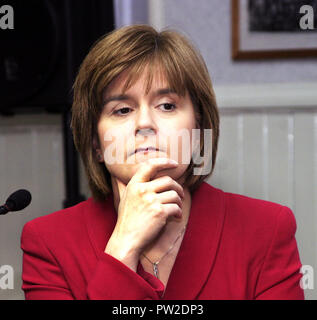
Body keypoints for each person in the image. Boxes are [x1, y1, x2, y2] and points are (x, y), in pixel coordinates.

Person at [20, 24, 304, 300]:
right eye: (122, 110)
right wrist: (124, 246)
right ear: (95, 143)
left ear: (198, 131)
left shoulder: (267, 230)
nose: (145, 123)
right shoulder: (48, 243)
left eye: (167, 105)